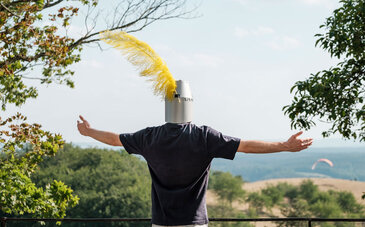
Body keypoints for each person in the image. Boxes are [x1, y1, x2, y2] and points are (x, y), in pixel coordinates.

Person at [77, 81, 313, 227]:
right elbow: (246, 145)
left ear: (167, 104)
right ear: (191, 104)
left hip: (160, 222)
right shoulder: (204, 136)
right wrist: (284, 145)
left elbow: (115, 139)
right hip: (194, 223)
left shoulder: (149, 137)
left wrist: (89, 132)